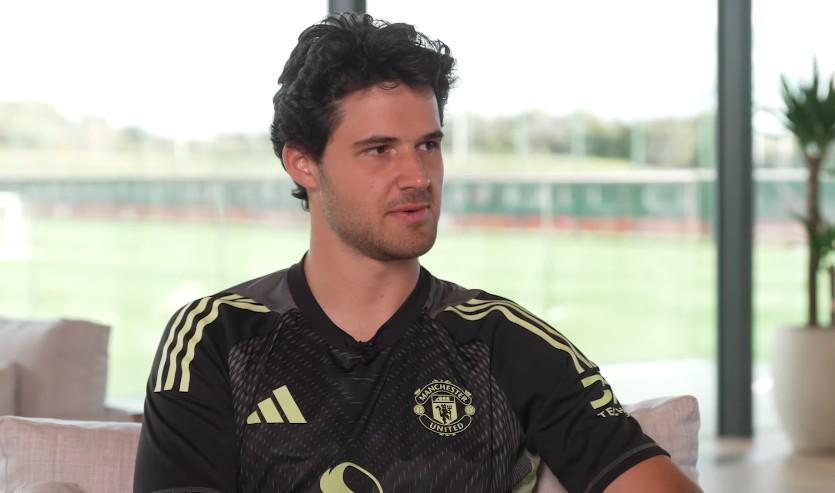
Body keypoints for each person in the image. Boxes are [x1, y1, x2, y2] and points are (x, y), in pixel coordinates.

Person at [134, 12, 701, 493]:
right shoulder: (216, 337)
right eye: (379, 150)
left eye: (428, 145)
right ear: (303, 163)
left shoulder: (506, 341)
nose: (418, 175)